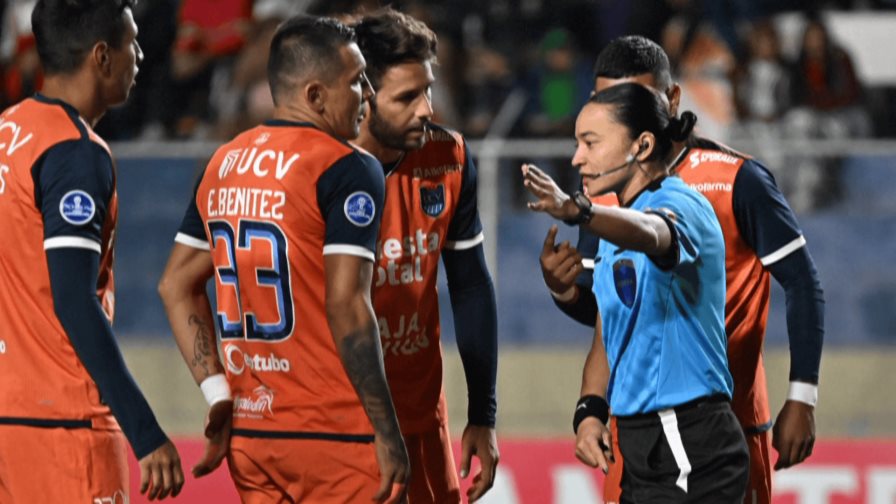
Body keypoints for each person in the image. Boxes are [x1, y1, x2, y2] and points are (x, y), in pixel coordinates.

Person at [540, 36, 825, 504]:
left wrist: (803, 396)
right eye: (604, 102)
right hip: (637, 431)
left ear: (669, 101)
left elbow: (802, 282)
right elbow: (612, 317)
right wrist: (565, 292)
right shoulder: (602, 196)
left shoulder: (735, 179)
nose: (618, 112)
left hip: (722, 422)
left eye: (634, 100)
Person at [156, 15, 410, 503]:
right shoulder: (349, 167)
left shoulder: (222, 162)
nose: (368, 96)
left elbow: (174, 285)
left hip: (254, 439)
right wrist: (385, 428)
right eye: (357, 81)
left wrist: (218, 395)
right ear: (315, 96)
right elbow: (347, 307)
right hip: (336, 436)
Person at [525, 82, 749, 502]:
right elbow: (610, 330)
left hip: (689, 441)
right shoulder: (616, 227)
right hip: (642, 441)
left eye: (590, 143)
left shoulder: (682, 204)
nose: (577, 158)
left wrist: (582, 211)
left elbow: (657, 233)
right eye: (577, 144)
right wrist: (590, 411)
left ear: (642, 145)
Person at [0, 0, 184, 501]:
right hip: (62, 424)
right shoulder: (73, 152)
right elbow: (74, 301)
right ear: (102, 56)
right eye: (132, 43)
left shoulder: (8, 133)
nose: (141, 54)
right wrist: (145, 430)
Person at [352, 9, 499, 503]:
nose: (427, 110)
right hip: (343, 431)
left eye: (428, 90)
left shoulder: (448, 158)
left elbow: (471, 285)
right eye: (407, 97)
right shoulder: (316, 171)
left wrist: (483, 412)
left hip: (423, 422)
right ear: (362, 97)